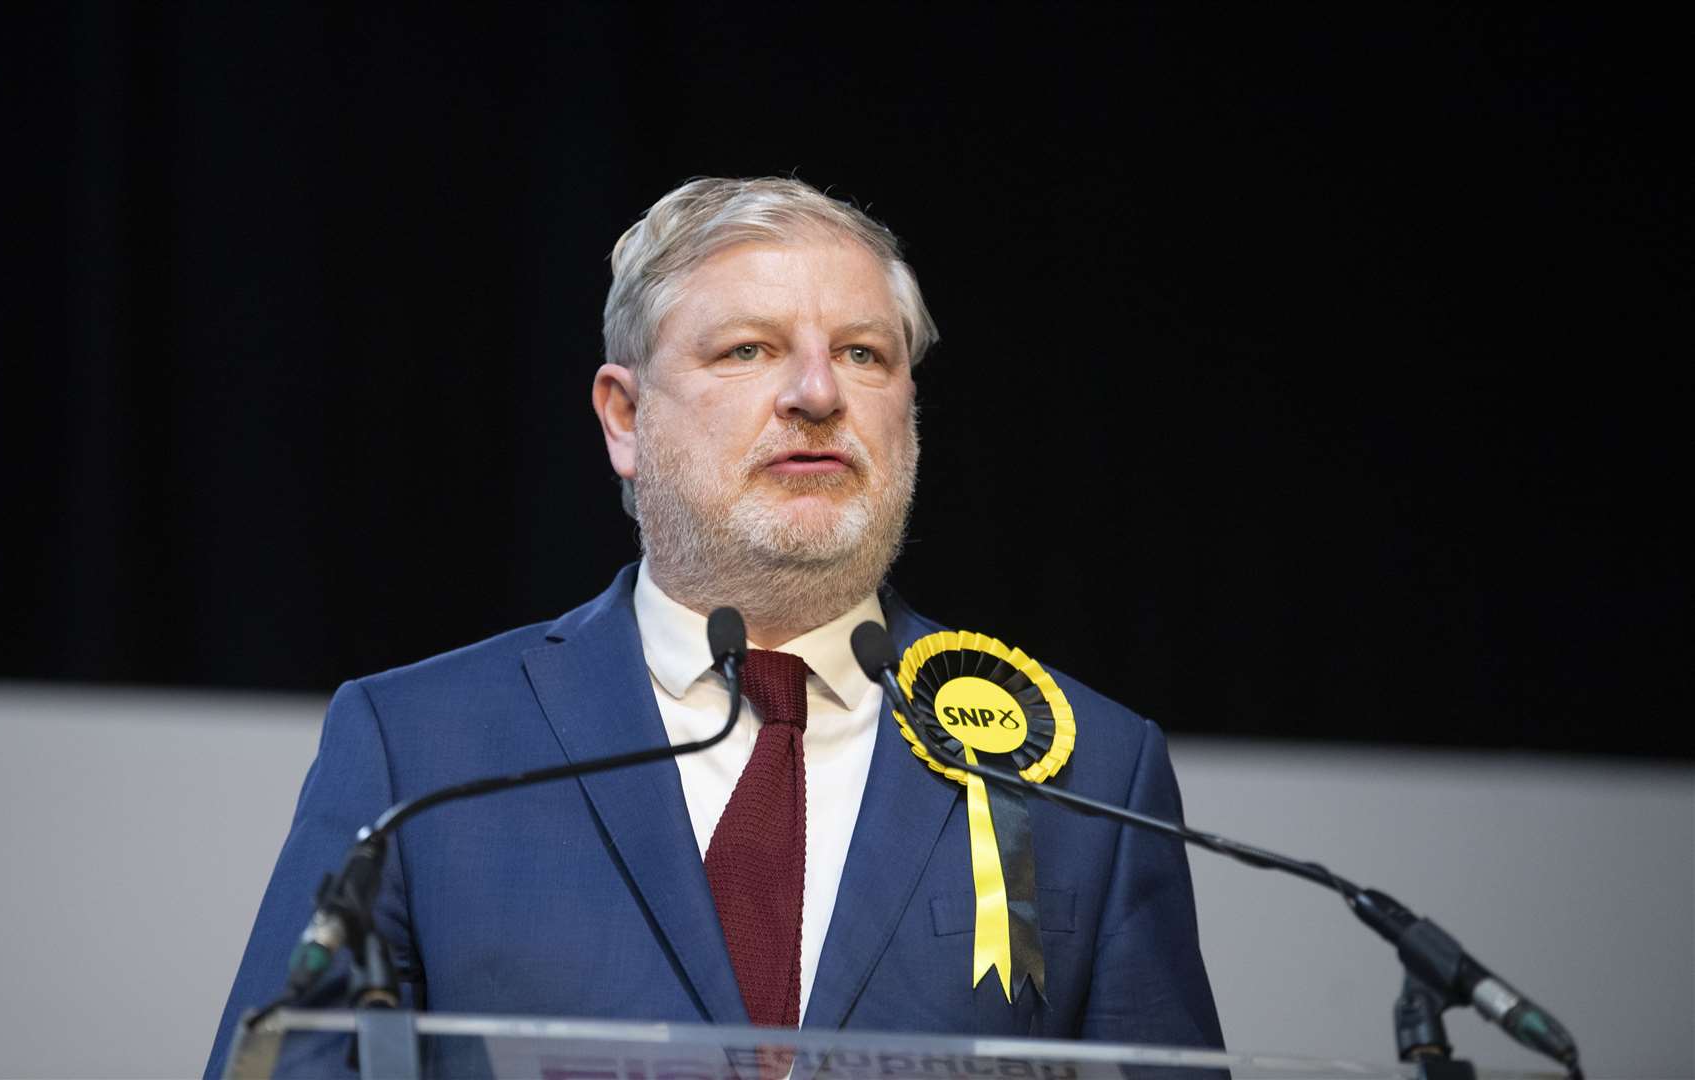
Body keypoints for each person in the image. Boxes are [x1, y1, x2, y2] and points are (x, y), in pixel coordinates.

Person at [205, 177, 1223, 1076]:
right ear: (622, 417)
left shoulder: (1090, 770)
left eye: (863, 354)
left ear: (907, 412)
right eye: (749, 349)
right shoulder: (420, 748)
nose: (818, 394)